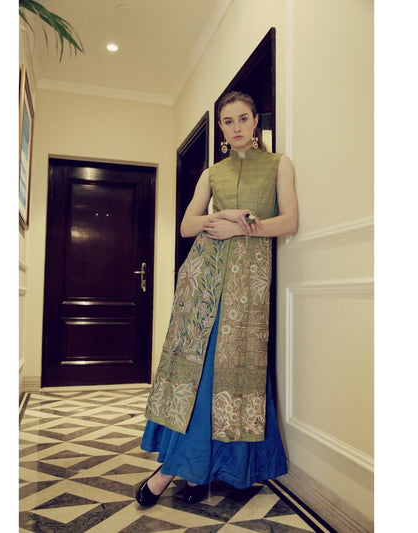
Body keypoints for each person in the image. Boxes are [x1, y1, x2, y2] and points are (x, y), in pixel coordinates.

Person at [135, 91, 299, 507]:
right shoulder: (212, 173)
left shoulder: (279, 164)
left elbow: (290, 221)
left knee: (230, 376)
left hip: (247, 284)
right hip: (203, 284)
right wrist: (219, 217)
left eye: (243, 118)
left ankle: (199, 470)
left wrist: (241, 229)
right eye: (228, 121)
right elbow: (187, 226)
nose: (236, 127)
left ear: (256, 121)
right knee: (196, 373)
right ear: (222, 129)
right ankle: (189, 470)